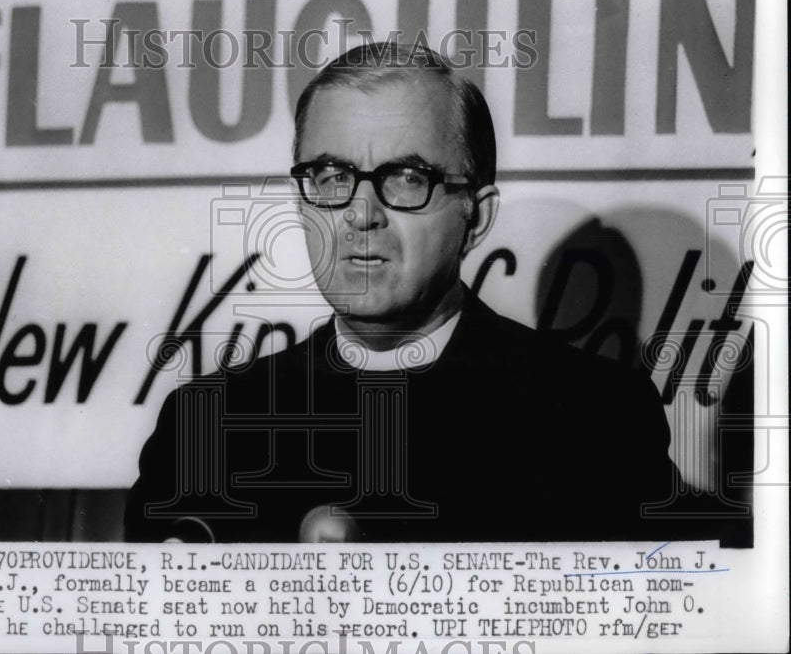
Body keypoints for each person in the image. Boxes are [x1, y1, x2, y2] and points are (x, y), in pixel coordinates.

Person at [125, 41, 684, 543]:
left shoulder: (596, 420)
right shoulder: (204, 426)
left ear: (476, 217)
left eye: (408, 179)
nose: (361, 214)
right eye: (332, 176)